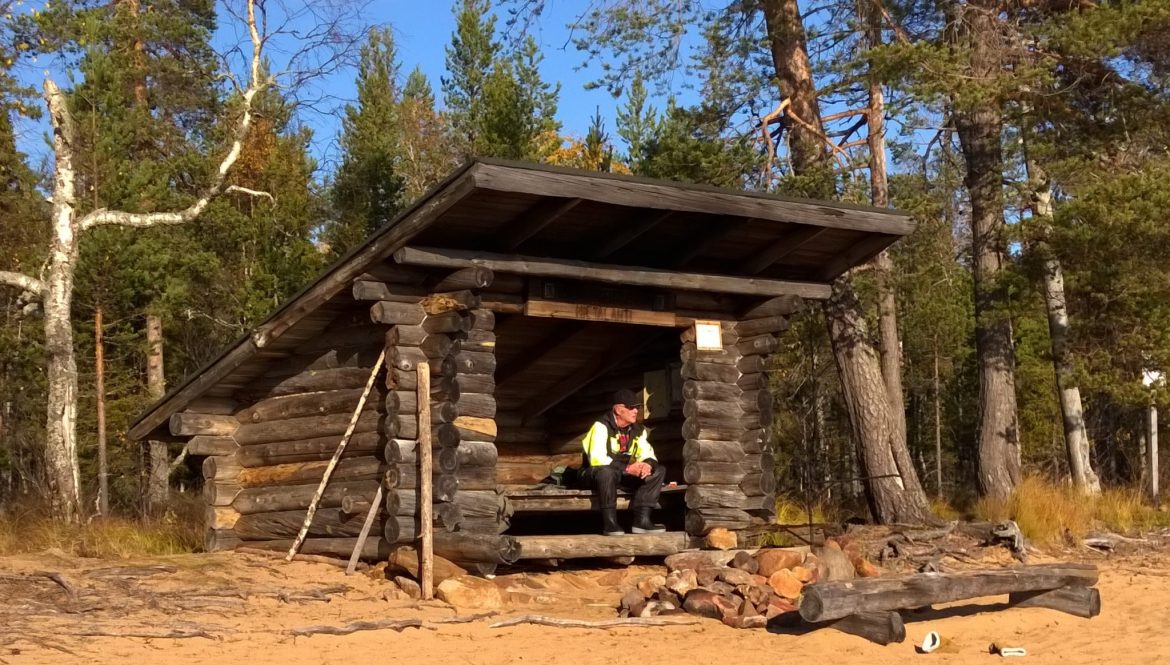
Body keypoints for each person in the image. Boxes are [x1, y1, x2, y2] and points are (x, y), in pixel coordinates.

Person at [580, 388, 666, 536]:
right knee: (606, 472)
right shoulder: (600, 426)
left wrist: (647, 465)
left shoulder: (638, 430)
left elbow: (648, 453)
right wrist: (627, 469)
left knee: (658, 470)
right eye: (631, 407)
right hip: (594, 475)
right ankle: (610, 523)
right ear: (619, 410)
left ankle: (642, 521)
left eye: (637, 407)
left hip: (620, 474)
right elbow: (597, 459)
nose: (635, 411)